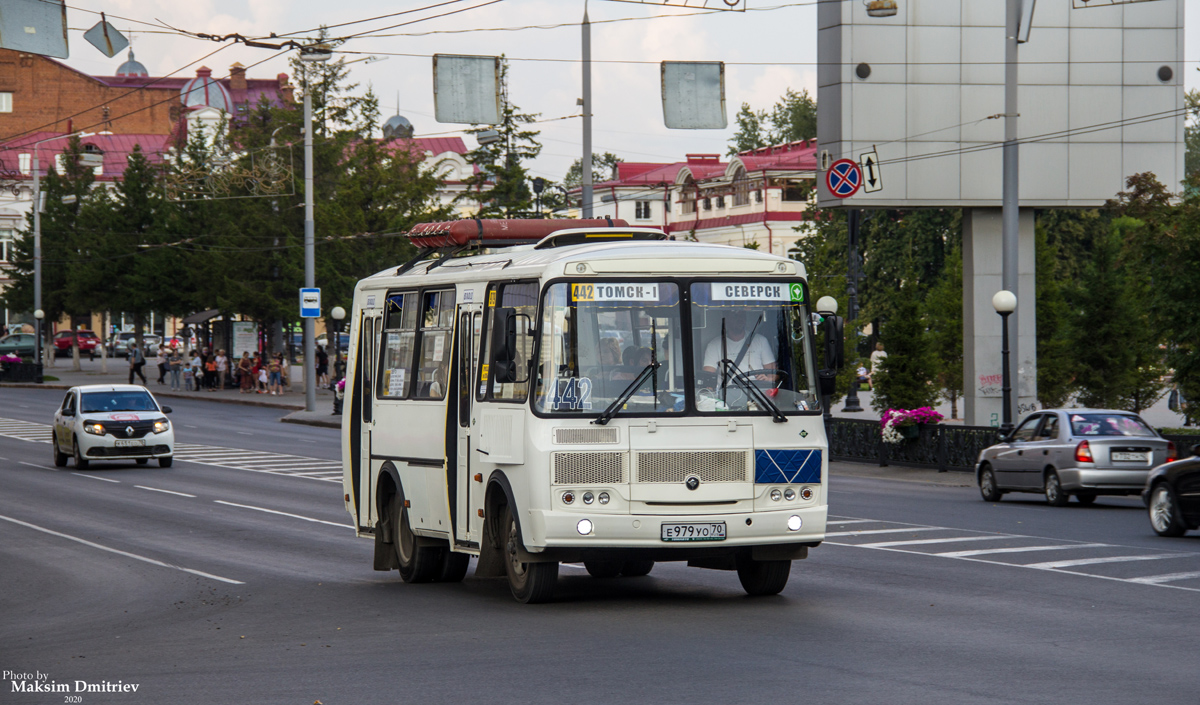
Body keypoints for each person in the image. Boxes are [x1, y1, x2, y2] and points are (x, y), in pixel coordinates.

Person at [702, 309, 776, 381]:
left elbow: (773, 374)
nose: (740, 319)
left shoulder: (761, 341)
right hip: (726, 392)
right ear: (726, 320)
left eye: (742, 316)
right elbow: (708, 377)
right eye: (735, 316)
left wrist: (767, 379)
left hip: (756, 390)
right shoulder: (714, 345)